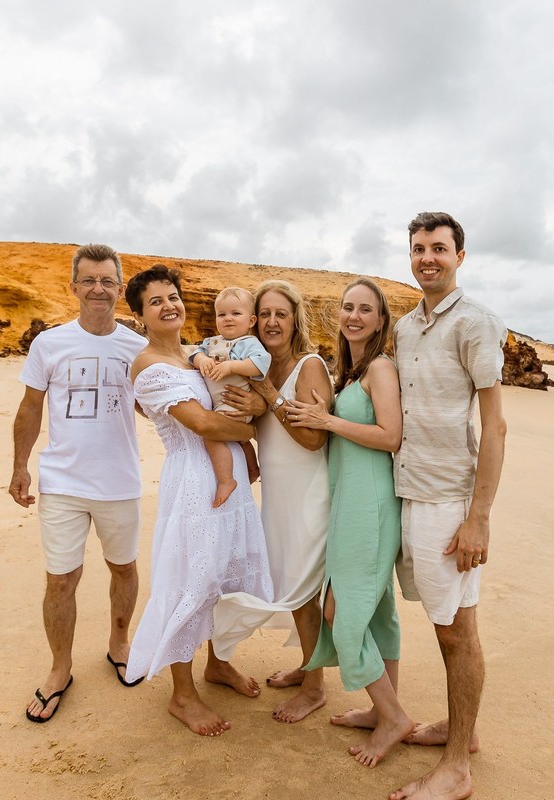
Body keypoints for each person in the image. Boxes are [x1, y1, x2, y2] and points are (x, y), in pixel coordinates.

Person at [121, 265, 274, 737]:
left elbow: (243, 391)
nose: (169, 306)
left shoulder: (199, 354)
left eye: (173, 296)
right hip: (193, 482)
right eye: (156, 301)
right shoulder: (147, 366)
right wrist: (256, 431)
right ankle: (182, 694)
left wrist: (256, 411)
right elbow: (205, 425)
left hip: (229, 482)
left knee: (223, 575)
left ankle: (218, 664)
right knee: (192, 576)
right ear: (141, 315)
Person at [388, 213, 508, 800]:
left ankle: (457, 766)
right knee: (454, 624)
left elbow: (496, 427)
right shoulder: (408, 327)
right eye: (418, 249)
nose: (427, 258)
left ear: (461, 255)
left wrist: (478, 516)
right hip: (409, 488)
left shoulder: (478, 323)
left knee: (455, 632)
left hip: (448, 497)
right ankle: (466, 732)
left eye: (439, 248)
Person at [10, 243, 149, 724]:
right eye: (88, 280)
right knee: (60, 580)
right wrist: (20, 466)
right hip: (63, 482)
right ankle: (59, 670)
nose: (98, 288)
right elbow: (30, 408)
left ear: (119, 289)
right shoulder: (49, 343)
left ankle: (119, 644)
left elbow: (159, 404)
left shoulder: (137, 348)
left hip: (120, 482)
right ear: (73, 287)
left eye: (107, 281)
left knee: (124, 569)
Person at [286, 278, 413, 767]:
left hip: (372, 506)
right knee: (378, 612)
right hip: (349, 503)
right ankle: (384, 711)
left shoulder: (380, 367)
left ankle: (394, 717)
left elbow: (391, 436)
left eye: (365, 309)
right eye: (347, 308)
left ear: (381, 321)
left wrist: (328, 421)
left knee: (342, 611)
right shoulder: (351, 371)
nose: (354, 316)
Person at [215, 279, 332, 723]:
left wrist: (268, 396)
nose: (271, 321)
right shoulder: (256, 370)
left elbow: (312, 438)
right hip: (278, 496)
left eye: (281, 313)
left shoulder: (310, 365)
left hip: (308, 495)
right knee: (288, 582)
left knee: (304, 590)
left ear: (295, 319)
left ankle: (316, 688)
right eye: (264, 313)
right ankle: (307, 668)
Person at [190, 287, 270, 508]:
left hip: (237, 404)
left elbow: (260, 363)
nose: (228, 319)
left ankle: (227, 480)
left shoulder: (249, 344)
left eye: (236, 314)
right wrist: (201, 361)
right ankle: (252, 468)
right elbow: (194, 354)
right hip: (223, 403)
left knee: (212, 435)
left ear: (251, 320)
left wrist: (231, 366)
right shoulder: (211, 342)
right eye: (222, 314)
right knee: (240, 440)